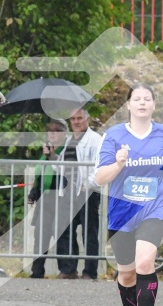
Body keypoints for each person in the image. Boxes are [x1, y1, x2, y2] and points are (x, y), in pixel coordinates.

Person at [95, 83, 163, 306]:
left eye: (148, 98)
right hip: (122, 213)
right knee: (126, 274)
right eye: (137, 99)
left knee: (145, 261)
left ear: (154, 105)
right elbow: (100, 177)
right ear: (128, 105)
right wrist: (118, 164)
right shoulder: (113, 136)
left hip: (154, 208)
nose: (143, 103)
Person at [55, 108, 102, 279]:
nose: (76, 121)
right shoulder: (67, 141)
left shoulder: (95, 140)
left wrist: (87, 184)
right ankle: (68, 269)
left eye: (79, 118)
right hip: (67, 191)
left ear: (87, 119)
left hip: (87, 192)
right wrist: (51, 155)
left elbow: (100, 165)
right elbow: (58, 165)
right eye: (73, 118)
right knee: (64, 230)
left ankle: (90, 271)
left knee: (89, 232)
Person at [28, 119, 68, 278]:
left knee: (61, 235)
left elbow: (64, 175)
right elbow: (40, 175)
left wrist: (52, 155)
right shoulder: (45, 152)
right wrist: (33, 193)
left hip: (61, 197)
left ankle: (65, 270)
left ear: (64, 133)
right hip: (46, 198)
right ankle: (37, 271)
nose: (52, 133)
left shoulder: (67, 149)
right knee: (41, 234)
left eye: (56, 130)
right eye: (49, 129)